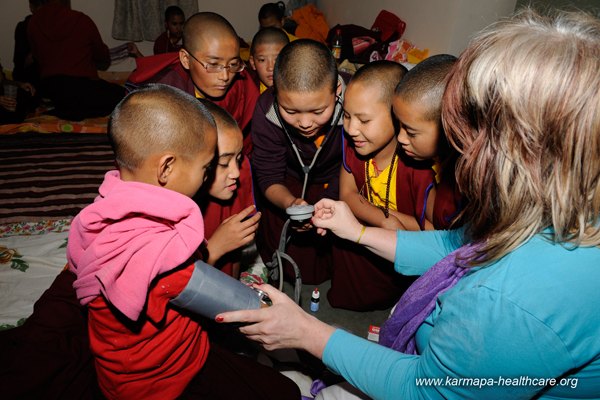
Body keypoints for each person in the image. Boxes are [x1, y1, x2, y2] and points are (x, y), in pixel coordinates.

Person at [217, 9, 600, 399]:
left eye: (462, 135)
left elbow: (423, 391)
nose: (453, 156)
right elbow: (459, 248)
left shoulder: (511, 303)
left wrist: (305, 331)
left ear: (520, 151)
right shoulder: (554, 213)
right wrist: (358, 231)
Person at [66, 84, 300, 399]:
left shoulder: (102, 207)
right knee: (283, 392)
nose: (207, 177)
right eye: (206, 168)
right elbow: (246, 307)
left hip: (124, 372)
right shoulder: (161, 257)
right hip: (167, 380)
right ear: (166, 167)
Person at [331, 60, 434, 310]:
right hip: (365, 229)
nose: (351, 129)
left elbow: (432, 232)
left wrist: (391, 223)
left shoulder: (417, 166)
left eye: (364, 121)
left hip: (404, 245)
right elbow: (347, 193)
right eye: (346, 116)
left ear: (397, 118)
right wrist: (382, 219)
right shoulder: (353, 146)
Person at [251, 38, 345, 285]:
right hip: (287, 182)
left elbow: (355, 166)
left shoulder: (356, 104)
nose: (305, 124)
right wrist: (291, 203)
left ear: (337, 91)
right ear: (275, 92)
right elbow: (268, 175)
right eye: (291, 112)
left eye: (318, 111)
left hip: (340, 181)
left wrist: (328, 201)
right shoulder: (266, 110)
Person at [127, 12, 259, 155]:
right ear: (185, 59)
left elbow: (246, 146)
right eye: (214, 64)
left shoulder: (240, 85)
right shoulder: (162, 95)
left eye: (233, 63)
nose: (225, 76)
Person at [394, 54, 463, 229]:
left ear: (448, 127)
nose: (400, 138)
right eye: (398, 125)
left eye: (411, 132)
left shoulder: (464, 182)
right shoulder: (425, 160)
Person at [26, 0, 125, 121]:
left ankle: (63, 111)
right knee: (124, 96)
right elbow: (102, 55)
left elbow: (37, 57)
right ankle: (73, 112)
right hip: (81, 87)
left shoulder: (33, 23)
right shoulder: (81, 20)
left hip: (51, 88)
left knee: (70, 98)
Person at [196, 99, 260, 278]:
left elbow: (235, 251)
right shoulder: (168, 211)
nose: (236, 173)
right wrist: (215, 249)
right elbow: (176, 287)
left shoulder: (234, 181)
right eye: (224, 163)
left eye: (238, 159)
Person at [249, 27, 290, 94]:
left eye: (277, 59)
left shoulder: (301, 90)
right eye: (262, 60)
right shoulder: (247, 93)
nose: (270, 68)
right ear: (253, 63)